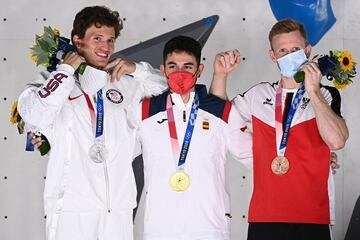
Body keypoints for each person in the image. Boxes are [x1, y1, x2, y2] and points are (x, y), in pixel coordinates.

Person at [18, 6, 167, 240]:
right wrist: (66, 71)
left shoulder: (124, 83)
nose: (106, 47)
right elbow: (34, 114)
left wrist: (136, 69)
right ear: (78, 43)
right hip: (71, 208)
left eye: (110, 40)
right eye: (97, 39)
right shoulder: (49, 82)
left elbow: (167, 92)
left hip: (118, 208)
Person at [211, 19, 349, 240]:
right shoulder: (259, 95)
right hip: (265, 216)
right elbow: (219, 118)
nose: (289, 55)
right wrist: (220, 75)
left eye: (295, 49)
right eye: (282, 51)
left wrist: (312, 90)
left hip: (313, 216)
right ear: (272, 56)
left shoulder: (326, 95)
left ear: (307, 50)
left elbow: (337, 142)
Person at [133, 36, 252, 240]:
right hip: (160, 227)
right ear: (163, 70)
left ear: (200, 70)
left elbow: (254, 156)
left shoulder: (221, 111)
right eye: (173, 66)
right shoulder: (144, 111)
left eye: (187, 67)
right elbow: (118, 154)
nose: (180, 73)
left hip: (210, 227)